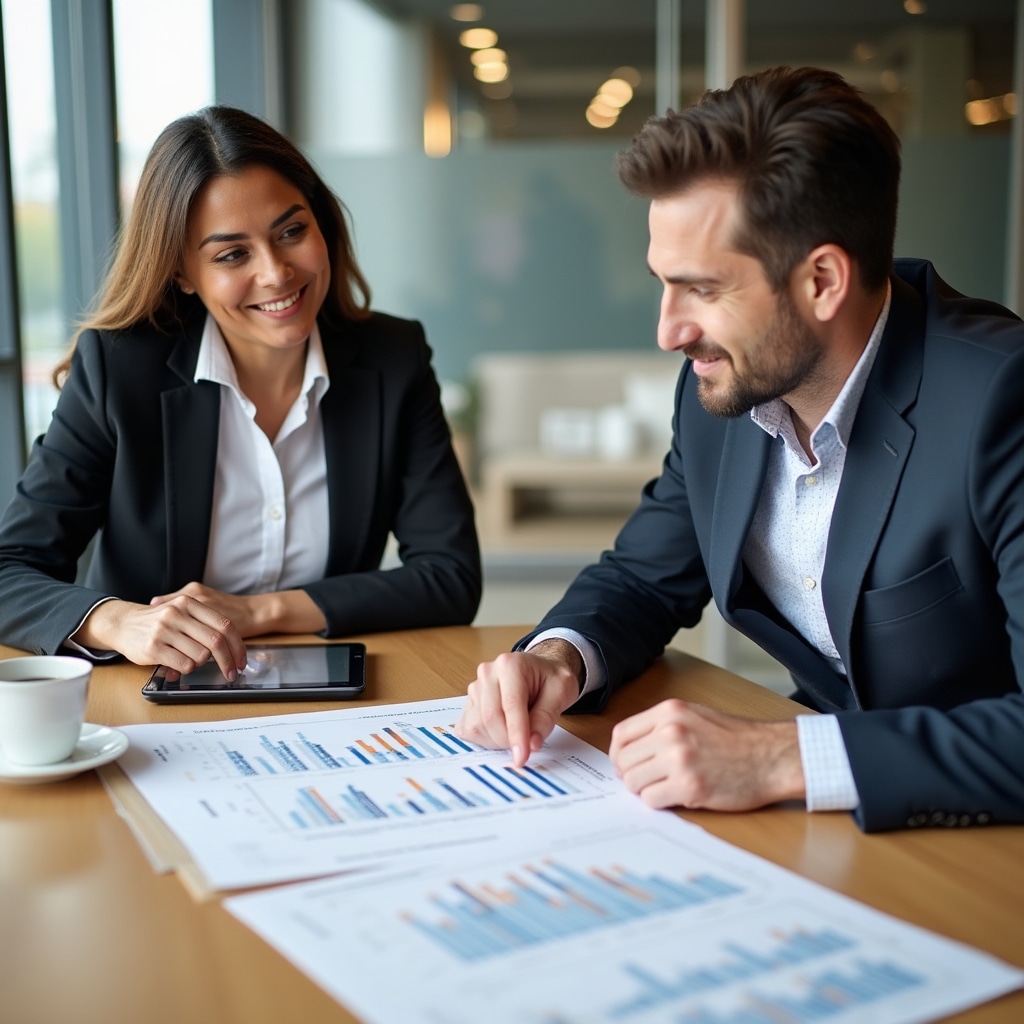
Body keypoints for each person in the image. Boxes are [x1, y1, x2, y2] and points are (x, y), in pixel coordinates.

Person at [455, 66, 1024, 833]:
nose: (668, 332)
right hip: (819, 838)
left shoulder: (1002, 400)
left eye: (703, 290)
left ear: (822, 279)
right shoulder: (722, 390)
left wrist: (782, 757)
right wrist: (558, 659)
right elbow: (644, 579)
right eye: (662, 284)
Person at [0, 106, 481, 680]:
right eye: (232, 255)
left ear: (321, 226)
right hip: (144, 704)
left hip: (329, 695)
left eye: (292, 232)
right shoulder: (119, 368)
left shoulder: (393, 357)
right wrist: (117, 621)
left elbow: (451, 576)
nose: (276, 273)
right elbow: (10, 569)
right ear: (181, 271)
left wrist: (257, 612)